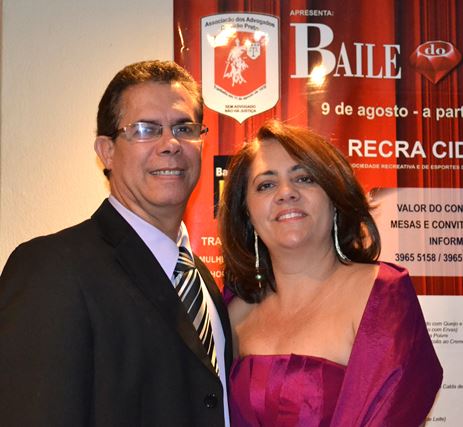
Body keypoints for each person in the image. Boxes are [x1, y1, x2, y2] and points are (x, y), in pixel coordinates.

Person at [0, 60, 232, 427]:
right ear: (106, 151)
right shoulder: (52, 269)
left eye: (184, 128)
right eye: (145, 129)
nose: (170, 144)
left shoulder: (201, 281)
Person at [218, 120, 442, 427]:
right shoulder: (232, 312)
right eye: (266, 185)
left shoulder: (381, 295)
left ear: (334, 198)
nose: (286, 193)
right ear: (247, 213)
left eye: (304, 178)